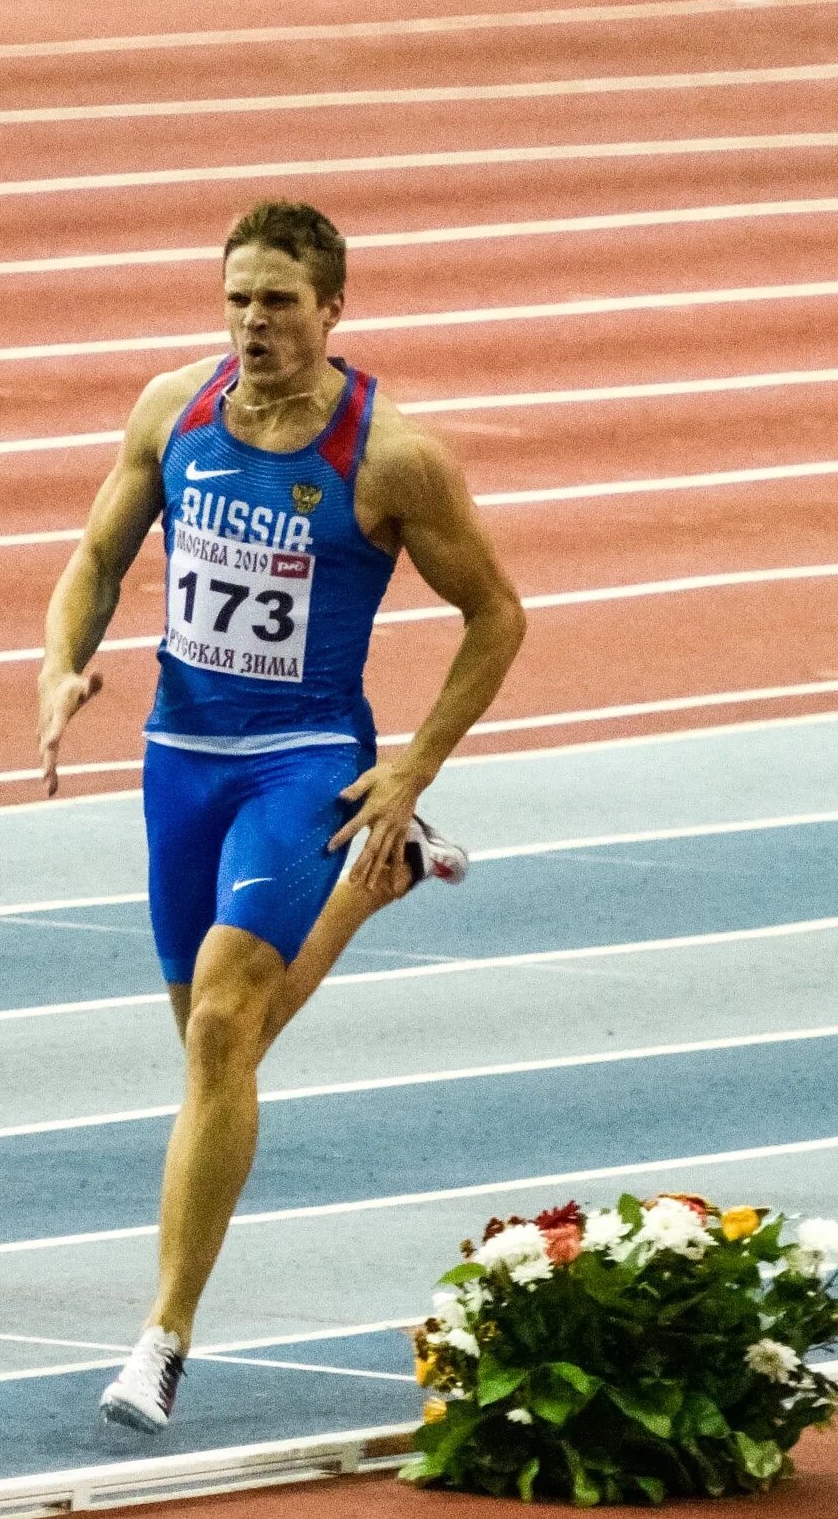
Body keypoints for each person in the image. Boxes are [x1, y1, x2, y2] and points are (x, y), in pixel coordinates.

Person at [37, 201, 527, 1432]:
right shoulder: (174, 410)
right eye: (238, 299)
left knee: (217, 1027)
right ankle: (376, 885)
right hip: (178, 755)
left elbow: (498, 616)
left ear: (332, 311)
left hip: (302, 756)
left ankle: (160, 1337)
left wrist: (413, 758)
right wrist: (60, 663)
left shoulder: (391, 457)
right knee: (222, 1047)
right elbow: (97, 553)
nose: (253, 323)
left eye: (279, 303)